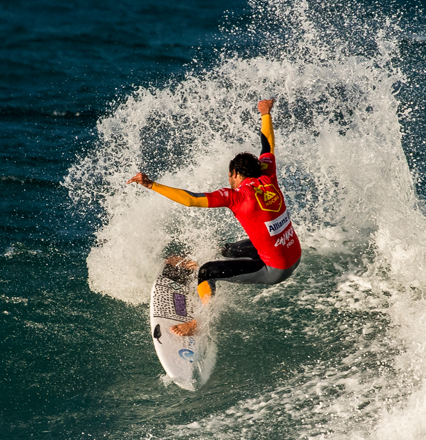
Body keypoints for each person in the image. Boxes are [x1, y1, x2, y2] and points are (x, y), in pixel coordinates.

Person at [127, 99, 302, 335]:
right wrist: (265, 114)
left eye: (230, 175)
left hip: (276, 269)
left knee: (207, 271)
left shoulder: (236, 197)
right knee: (226, 249)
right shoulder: (268, 176)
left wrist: (151, 185)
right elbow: (267, 145)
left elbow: (190, 199)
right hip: (292, 252)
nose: (228, 179)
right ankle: (192, 265)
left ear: (237, 174)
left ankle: (199, 322)